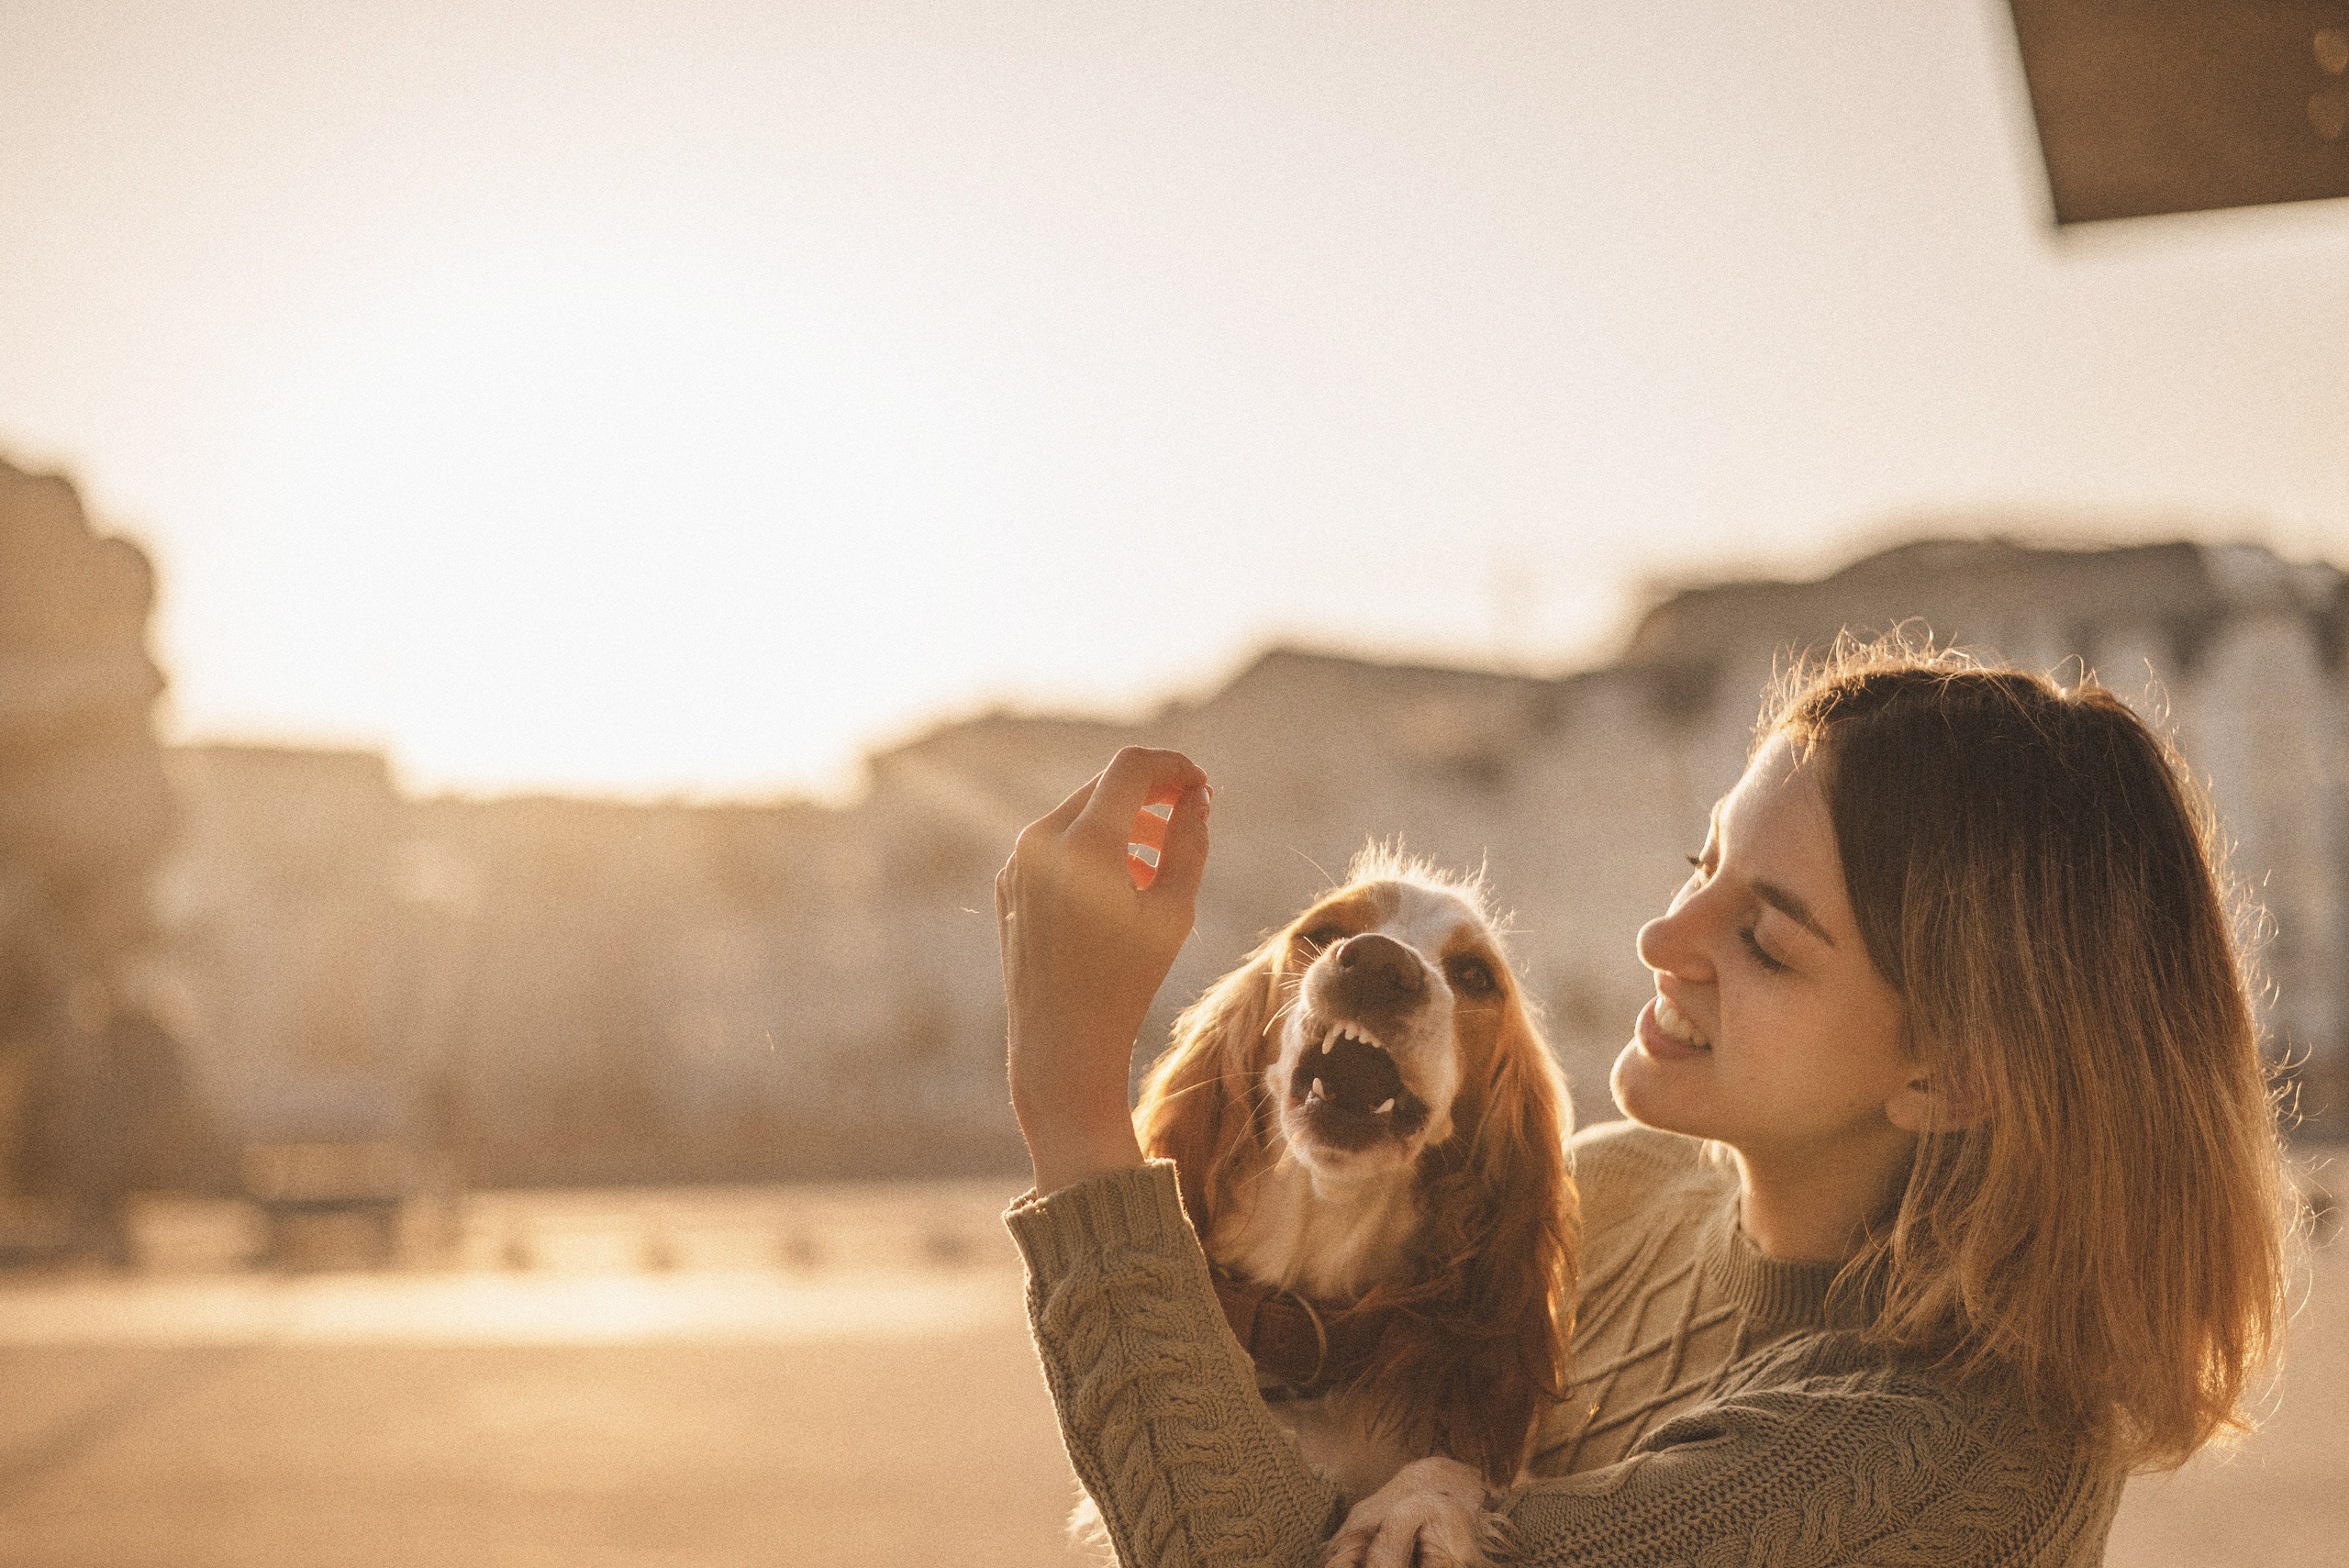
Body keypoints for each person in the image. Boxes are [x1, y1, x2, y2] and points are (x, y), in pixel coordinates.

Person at [995, 641, 2293, 1567]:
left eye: (1768, 940)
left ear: (1949, 1073)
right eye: (1702, 863)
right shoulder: (1610, 1196)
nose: (1664, 933)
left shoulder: (1944, 1465)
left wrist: (1071, 1101)